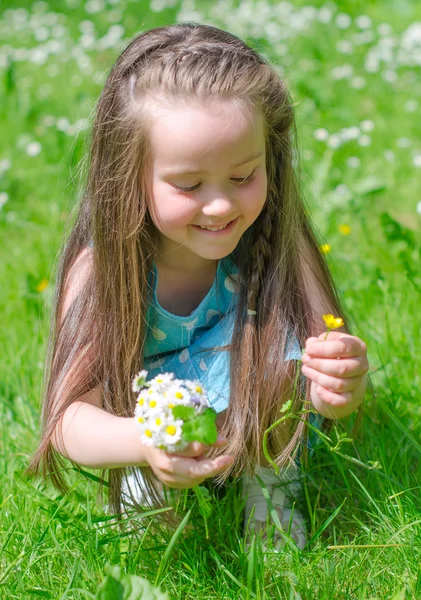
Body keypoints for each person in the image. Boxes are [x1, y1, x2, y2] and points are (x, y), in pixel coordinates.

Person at [27, 23, 368, 550]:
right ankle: (146, 481)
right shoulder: (101, 271)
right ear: (128, 177)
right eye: (189, 185)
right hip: (153, 430)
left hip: (259, 420)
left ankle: (269, 480)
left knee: (279, 344)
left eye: (242, 176)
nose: (221, 205)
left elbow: (326, 378)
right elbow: (68, 420)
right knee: (150, 537)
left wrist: (341, 385)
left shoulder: (275, 241)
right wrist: (147, 441)